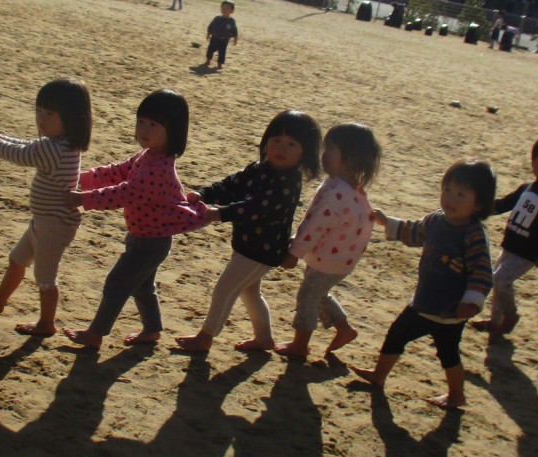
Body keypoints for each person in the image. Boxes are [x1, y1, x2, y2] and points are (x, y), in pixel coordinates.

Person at [63, 89, 209, 348]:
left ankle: (95, 334)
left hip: (151, 243)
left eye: (153, 125)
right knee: (142, 287)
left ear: (172, 131)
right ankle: (152, 330)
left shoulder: (159, 168)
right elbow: (117, 172)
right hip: (143, 236)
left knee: (116, 283)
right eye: (141, 121)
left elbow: (123, 193)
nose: (144, 129)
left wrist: (83, 199)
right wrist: (82, 177)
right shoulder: (147, 155)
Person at [351, 159, 496, 409]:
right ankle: (379, 375)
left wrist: (472, 302)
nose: (450, 198)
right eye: (447, 190)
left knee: (449, 355)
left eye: (461, 194)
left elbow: (482, 272)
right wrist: (389, 223)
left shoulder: (473, 235)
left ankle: (456, 395)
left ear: (479, 204)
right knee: (396, 335)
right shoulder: (436, 220)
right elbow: (413, 232)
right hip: (424, 301)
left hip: (450, 311)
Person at [175, 110, 323, 355]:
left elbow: (255, 206)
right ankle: (264, 338)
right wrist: (205, 193)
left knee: (225, 288)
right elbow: (233, 183)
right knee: (249, 291)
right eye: (276, 141)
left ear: (303, 153)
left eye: (291, 144)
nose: (281, 149)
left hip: (263, 250)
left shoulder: (287, 182)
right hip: (247, 244)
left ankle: (205, 337)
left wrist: (220, 213)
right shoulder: (260, 167)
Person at [0, 78, 92, 336]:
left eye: (49, 114)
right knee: (17, 260)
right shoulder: (60, 143)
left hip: (54, 224)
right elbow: (24, 143)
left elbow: (19, 154)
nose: (41, 119)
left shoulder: (55, 148)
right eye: (39, 111)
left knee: (45, 278)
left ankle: (47, 323)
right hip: (44, 219)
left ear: (71, 118)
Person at [276, 123, 382, 359]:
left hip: (330, 258)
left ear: (350, 159)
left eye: (331, 149)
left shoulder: (337, 192)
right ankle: (344, 329)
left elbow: (314, 226)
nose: (324, 155)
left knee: (307, 296)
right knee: (319, 293)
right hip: (341, 258)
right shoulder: (350, 187)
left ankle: (300, 344)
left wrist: (294, 252)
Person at [473, 135, 538, 340]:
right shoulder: (526, 187)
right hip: (511, 245)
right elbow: (503, 204)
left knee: (500, 279)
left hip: (528, 253)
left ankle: (510, 316)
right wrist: (481, 208)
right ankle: (494, 322)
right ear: (532, 162)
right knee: (498, 282)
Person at [205, 2, 239, 68]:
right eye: (223, 8)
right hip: (215, 38)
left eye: (227, 8)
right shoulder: (217, 18)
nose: (224, 10)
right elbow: (210, 26)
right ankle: (208, 60)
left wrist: (235, 39)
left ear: (232, 11)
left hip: (224, 40)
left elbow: (235, 30)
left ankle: (219, 64)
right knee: (210, 50)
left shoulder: (231, 21)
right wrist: (208, 34)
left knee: (222, 52)